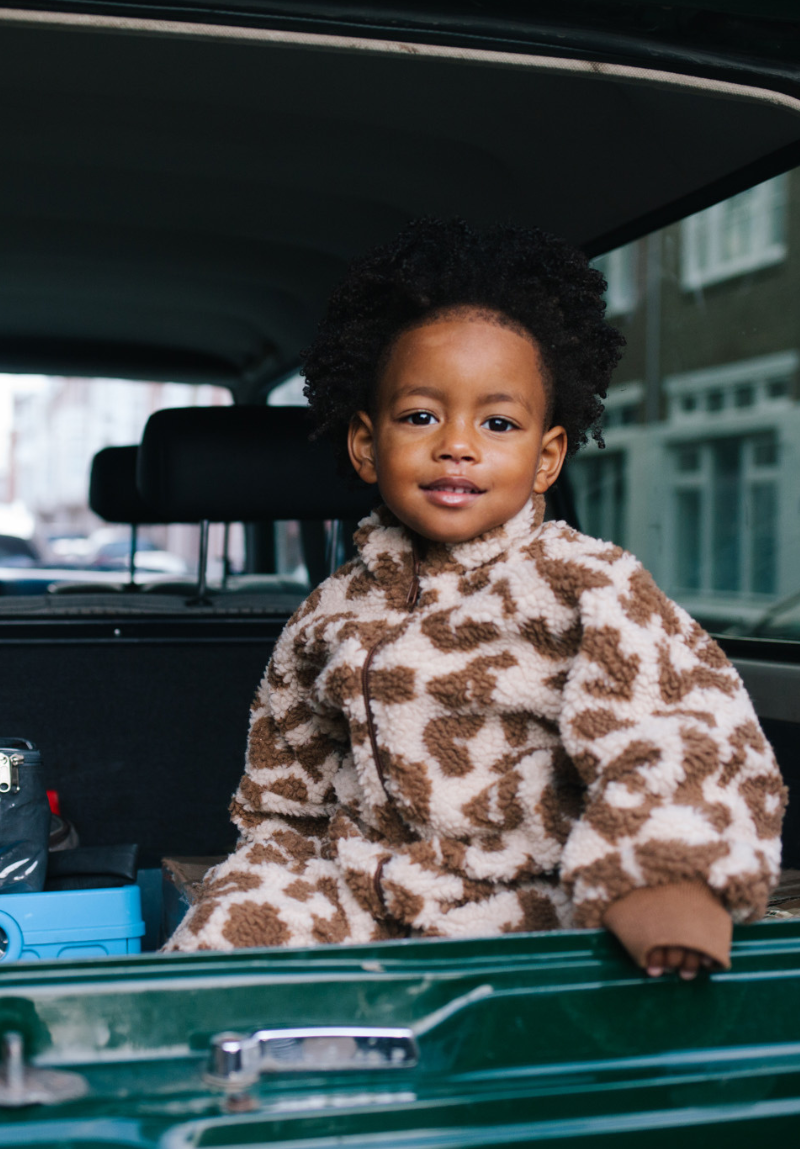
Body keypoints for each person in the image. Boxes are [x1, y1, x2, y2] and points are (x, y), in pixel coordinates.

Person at [165, 217, 786, 978]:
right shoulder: (329, 613)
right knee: (230, 923)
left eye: (497, 422)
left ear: (548, 456)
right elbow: (285, 783)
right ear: (367, 444)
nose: (457, 443)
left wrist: (665, 886)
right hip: (369, 887)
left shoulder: (586, 582)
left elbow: (683, 727)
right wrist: (267, 868)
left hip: (538, 887)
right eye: (421, 416)